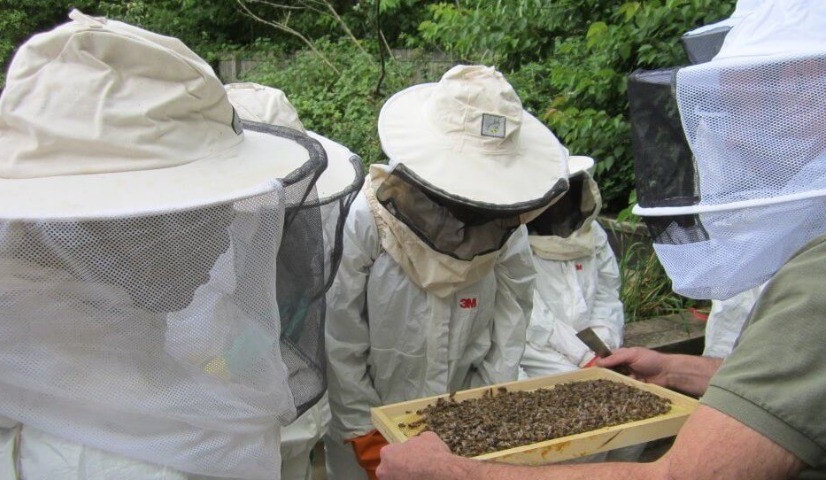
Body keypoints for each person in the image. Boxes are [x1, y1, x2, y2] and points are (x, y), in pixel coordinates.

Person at [376, 1, 826, 478]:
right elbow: (793, 391)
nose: (729, 134)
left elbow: (684, 475)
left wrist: (455, 474)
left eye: (758, 103)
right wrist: (679, 370)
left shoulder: (816, 282)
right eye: (729, 105)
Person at [0, 10, 329, 480]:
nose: (223, 241)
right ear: (134, 232)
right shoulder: (177, 454)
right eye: (206, 218)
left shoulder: (15, 342)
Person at [324, 64, 570, 480]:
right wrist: (362, 429)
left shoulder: (508, 228)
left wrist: (483, 406)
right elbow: (340, 331)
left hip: (462, 417)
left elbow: (513, 317)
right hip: (370, 420)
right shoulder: (368, 216)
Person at [224, 82, 365, 480]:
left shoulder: (318, 214)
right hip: (226, 425)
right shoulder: (198, 227)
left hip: (297, 414)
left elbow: (325, 307)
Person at [518, 154, 644, 463]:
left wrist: (604, 342)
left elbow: (607, 293)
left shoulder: (594, 234)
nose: (560, 204)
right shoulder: (513, 243)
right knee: (575, 443)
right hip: (537, 357)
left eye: (566, 193)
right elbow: (530, 313)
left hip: (595, 350)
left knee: (635, 431)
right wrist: (585, 357)